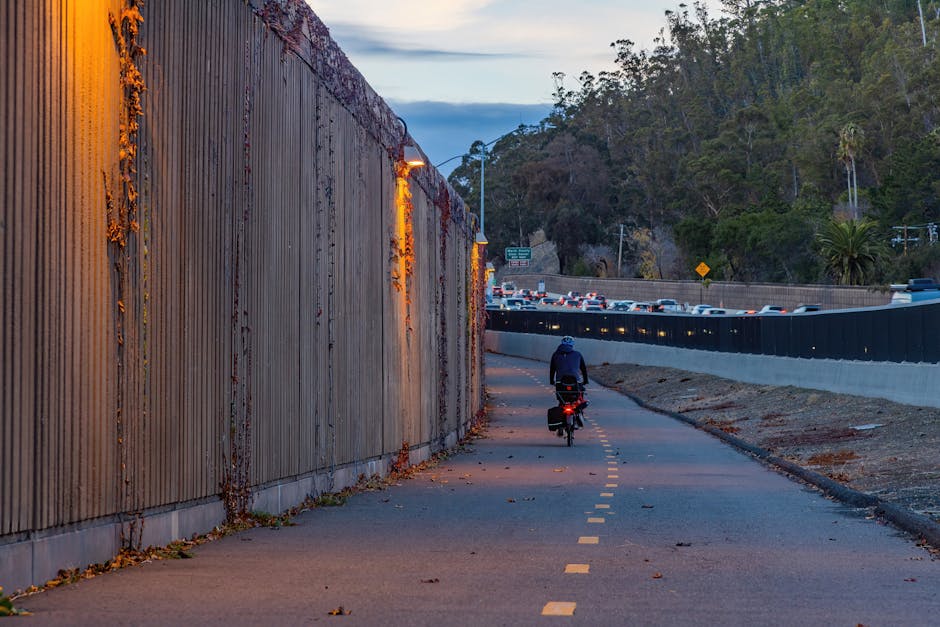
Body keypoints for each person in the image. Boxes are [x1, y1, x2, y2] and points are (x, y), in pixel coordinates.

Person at [549, 336, 588, 431]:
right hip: (575, 383)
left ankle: (560, 425)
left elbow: (552, 370)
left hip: (560, 383)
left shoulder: (555, 355)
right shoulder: (578, 354)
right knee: (578, 397)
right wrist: (585, 381)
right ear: (572, 345)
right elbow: (583, 369)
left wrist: (551, 381)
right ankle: (579, 417)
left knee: (562, 401)